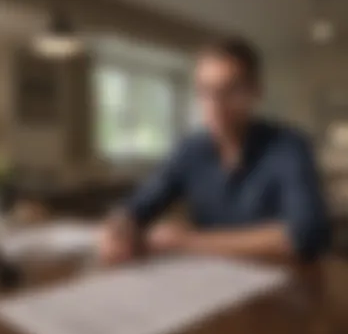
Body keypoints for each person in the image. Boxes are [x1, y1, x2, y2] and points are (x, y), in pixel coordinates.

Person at [99, 36, 329, 264]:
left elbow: (306, 233)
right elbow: (139, 205)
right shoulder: (189, 149)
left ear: (255, 92)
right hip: (210, 280)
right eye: (205, 91)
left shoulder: (290, 146)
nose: (215, 104)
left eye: (230, 90)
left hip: (281, 286)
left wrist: (190, 242)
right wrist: (119, 227)